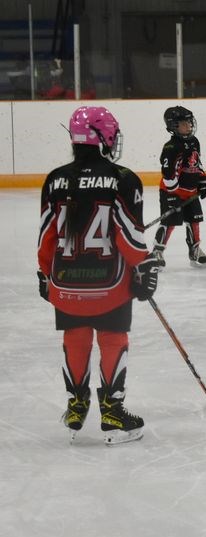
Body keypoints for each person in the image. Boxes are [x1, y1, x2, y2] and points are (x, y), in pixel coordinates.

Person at [37, 106, 163, 445]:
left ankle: (76, 405)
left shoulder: (55, 179)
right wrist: (145, 266)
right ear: (103, 135)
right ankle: (112, 412)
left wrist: (44, 274)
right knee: (112, 337)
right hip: (109, 285)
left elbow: (47, 236)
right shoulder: (122, 178)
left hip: (65, 282)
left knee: (75, 336)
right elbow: (129, 236)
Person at [153, 106, 206, 268]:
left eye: (189, 122)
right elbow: (168, 172)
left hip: (190, 191)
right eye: (183, 123)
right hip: (171, 191)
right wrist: (172, 194)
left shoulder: (194, 141)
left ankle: (195, 250)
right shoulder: (171, 147)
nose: (189, 125)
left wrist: (203, 179)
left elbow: (196, 164)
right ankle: (157, 251)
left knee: (194, 220)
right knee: (170, 221)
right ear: (173, 126)